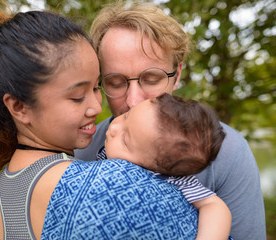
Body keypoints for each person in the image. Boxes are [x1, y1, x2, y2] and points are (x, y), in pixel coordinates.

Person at [0, 4, 200, 240]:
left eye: (97, 87)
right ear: (19, 107)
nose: (97, 106)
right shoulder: (113, 183)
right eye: (76, 96)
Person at [75, 2, 266, 239]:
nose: (134, 101)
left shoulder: (229, 154)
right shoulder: (82, 149)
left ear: (176, 76)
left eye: (152, 79)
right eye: (115, 82)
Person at [105, 93, 232, 239]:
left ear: (155, 168)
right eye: (127, 115)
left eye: (125, 140)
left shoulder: (171, 180)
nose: (114, 126)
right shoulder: (109, 150)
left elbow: (213, 206)